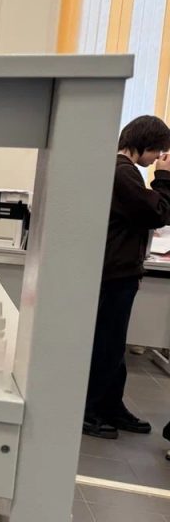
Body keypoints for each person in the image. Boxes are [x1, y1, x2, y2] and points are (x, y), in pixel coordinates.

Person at [83, 115, 170, 439]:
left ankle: (110, 405)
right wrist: (164, 179)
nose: (157, 159)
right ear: (146, 145)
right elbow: (157, 212)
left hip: (119, 271)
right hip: (114, 274)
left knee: (113, 346)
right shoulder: (123, 172)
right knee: (106, 345)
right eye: (158, 152)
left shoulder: (121, 171)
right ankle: (89, 410)